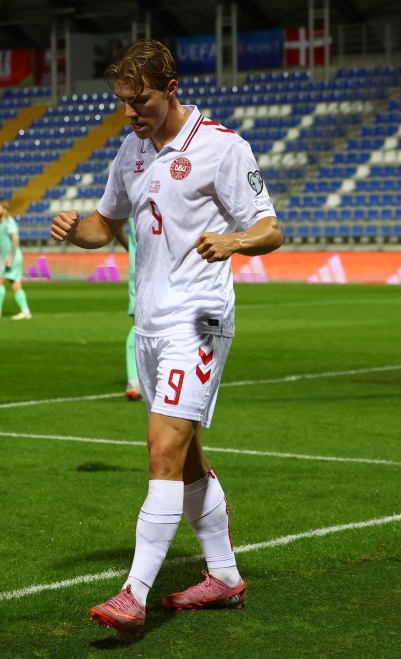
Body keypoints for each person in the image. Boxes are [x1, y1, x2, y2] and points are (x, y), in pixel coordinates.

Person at [50, 39, 282, 635]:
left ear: (170, 88)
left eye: (140, 100)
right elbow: (107, 224)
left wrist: (233, 241)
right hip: (150, 323)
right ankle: (225, 577)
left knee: (161, 451)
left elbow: (269, 228)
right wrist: (77, 230)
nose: (130, 112)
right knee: (185, 460)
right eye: (123, 102)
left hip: (199, 318)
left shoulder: (222, 147)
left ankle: (135, 593)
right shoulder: (131, 150)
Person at [0, 202, 32, 320]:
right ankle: (25, 311)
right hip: (11, 258)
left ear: (4, 210)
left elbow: (15, 239)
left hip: (13, 258)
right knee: (15, 285)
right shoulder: (0, 225)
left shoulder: (9, 222)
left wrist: (10, 257)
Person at [115, 217, 140, 400]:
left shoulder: (134, 189)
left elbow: (114, 225)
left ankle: (139, 379)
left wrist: (130, 247)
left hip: (140, 265)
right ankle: (134, 380)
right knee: (139, 324)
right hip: (146, 268)